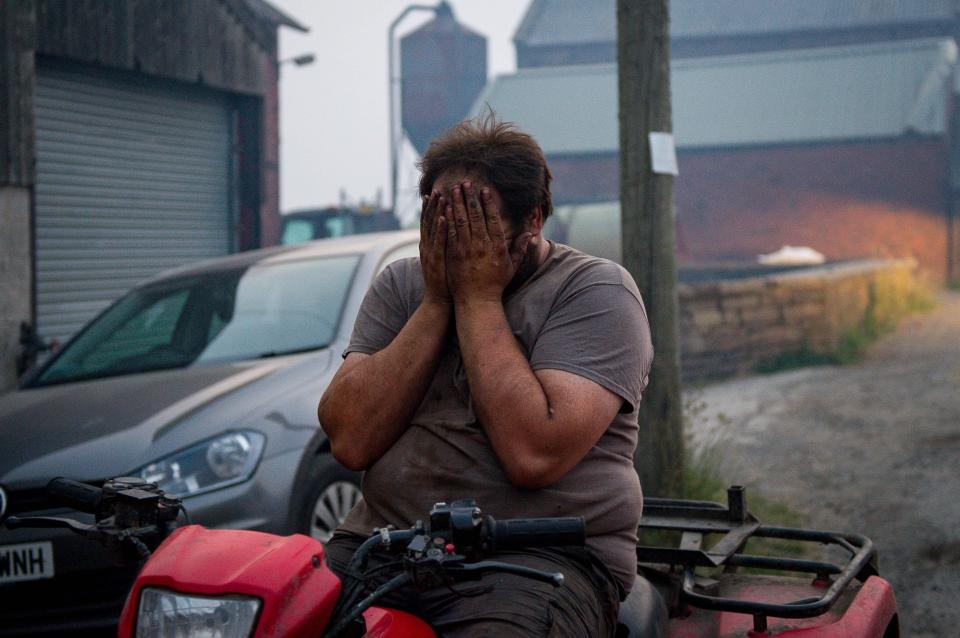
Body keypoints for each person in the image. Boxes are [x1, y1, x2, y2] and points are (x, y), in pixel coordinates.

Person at [317, 114, 654, 637]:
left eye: (476, 218)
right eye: (441, 217)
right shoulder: (403, 286)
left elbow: (533, 454)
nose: (456, 236)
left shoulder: (593, 290)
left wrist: (476, 297)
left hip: (538, 558)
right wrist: (436, 301)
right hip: (385, 541)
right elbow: (350, 440)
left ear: (534, 219)